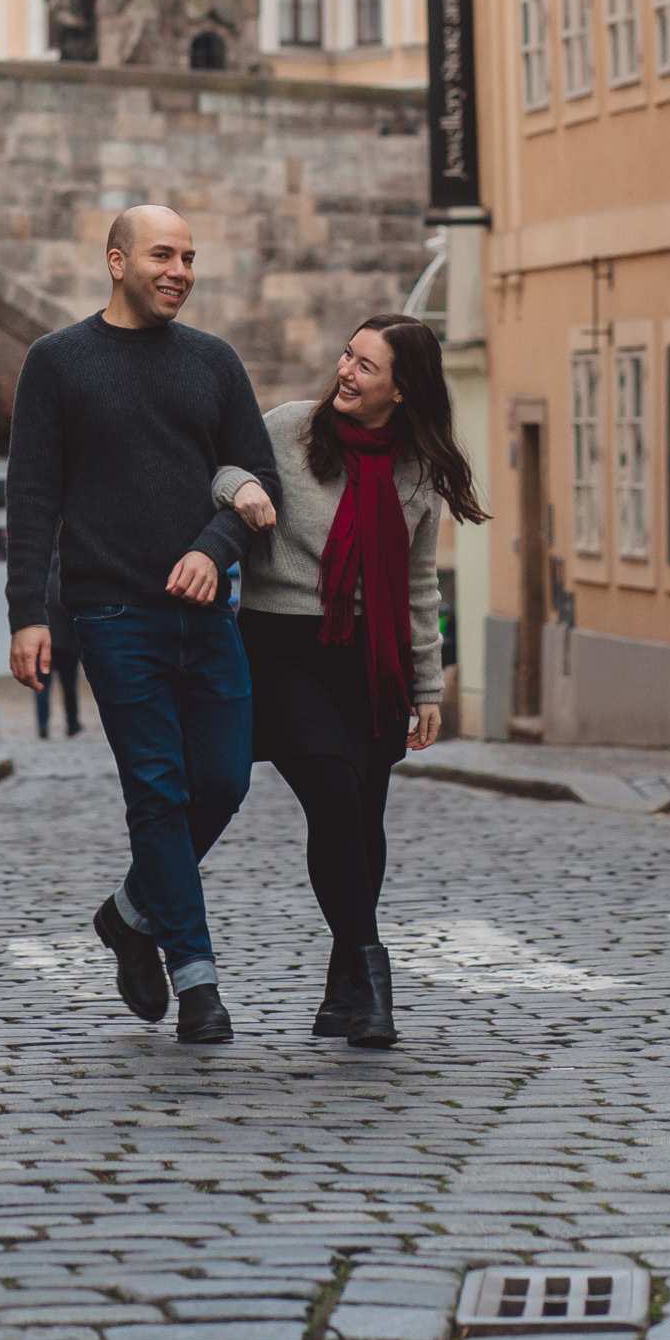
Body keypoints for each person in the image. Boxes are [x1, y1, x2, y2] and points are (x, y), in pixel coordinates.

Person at [7, 205, 280, 1045]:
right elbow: (32, 496)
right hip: (113, 613)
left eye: (191, 257)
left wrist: (213, 545)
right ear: (116, 260)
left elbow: (257, 476)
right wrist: (27, 616)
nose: (181, 270)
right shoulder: (56, 363)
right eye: (164, 254)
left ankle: (129, 913)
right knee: (157, 791)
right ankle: (195, 978)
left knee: (225, 780)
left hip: (209, 615)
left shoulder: (214, 363)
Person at [212, 315, 485, 1050]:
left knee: (364, 815)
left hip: (373, 657)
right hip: (284, 644)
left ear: (402, 389)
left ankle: (342, 994)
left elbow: (422, 583)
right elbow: (220, 465)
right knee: (333, 791)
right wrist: (240, 488)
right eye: (347, 356)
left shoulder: (418, 468)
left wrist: (428, 687)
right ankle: (373, 976)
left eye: (367, 366)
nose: (346, 372)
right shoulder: (291, 429)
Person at [34, 556, 82, 740]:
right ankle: (72, 724)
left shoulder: (42, 587)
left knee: (41, 687)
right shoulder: (68, 587)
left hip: (44, 644)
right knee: (69, 687)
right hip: (68, 645)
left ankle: (42, 724)